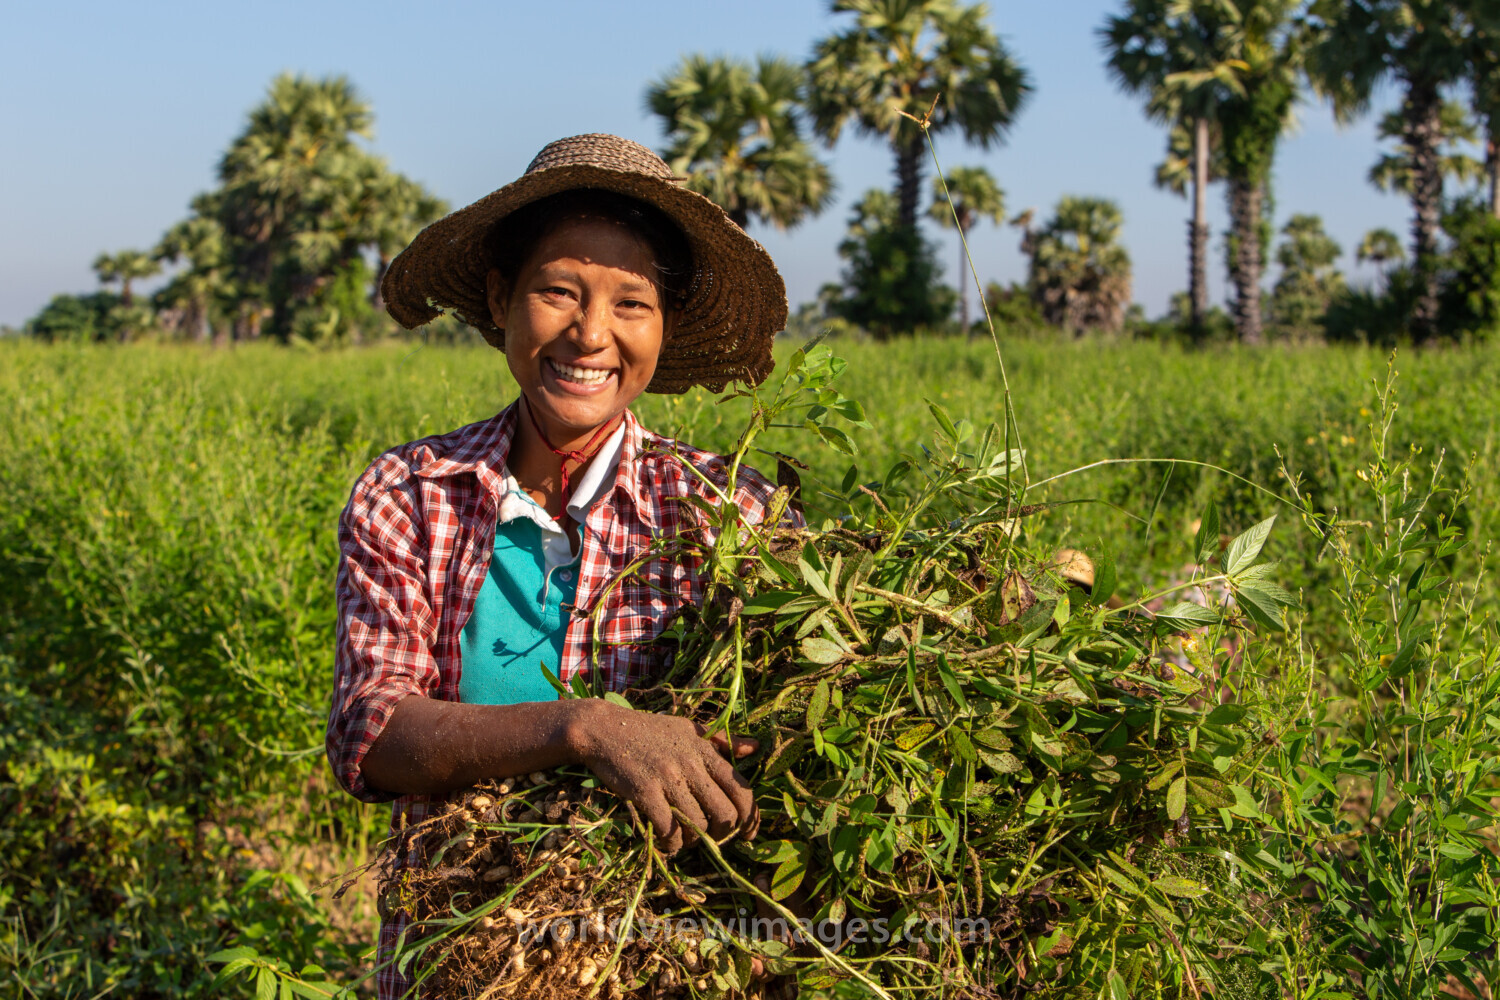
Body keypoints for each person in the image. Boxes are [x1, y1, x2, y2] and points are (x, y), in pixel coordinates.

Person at [326, 134, 795, 998]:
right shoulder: (411, 493)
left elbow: (781, 739)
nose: (591, 335)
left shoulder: (732, 514)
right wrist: (582, 729)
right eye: (557, 292)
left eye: (631, 303)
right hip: (455, 958)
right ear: (503, 299)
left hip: (666, 962)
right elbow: (374, 731)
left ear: (665, 327)